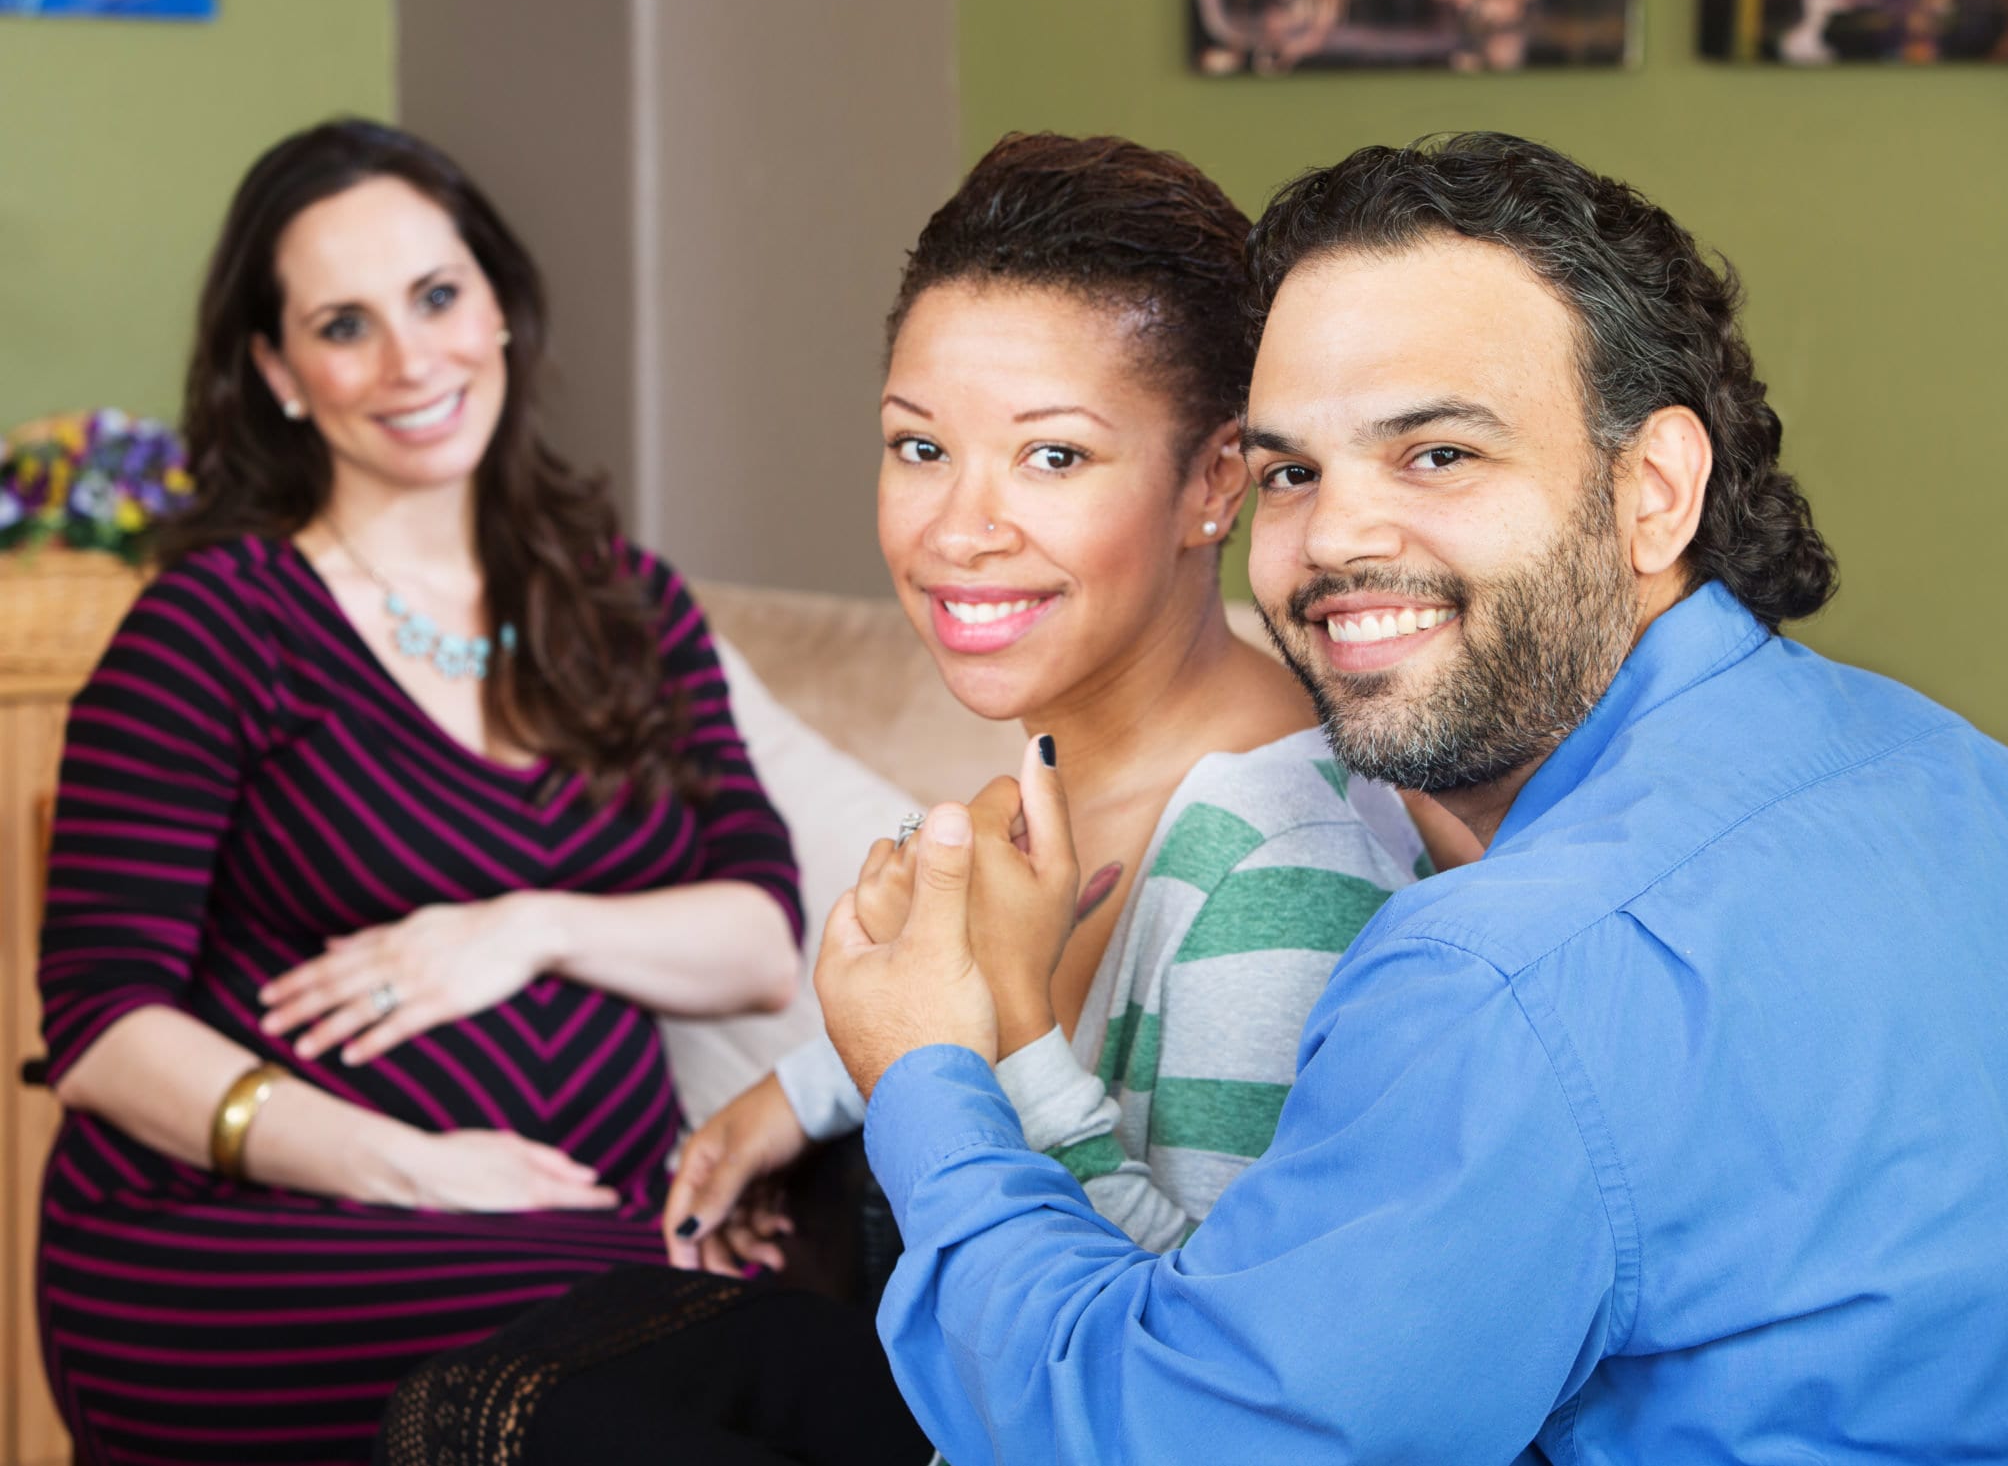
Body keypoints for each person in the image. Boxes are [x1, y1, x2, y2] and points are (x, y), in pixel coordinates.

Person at [817, 132, 2008, 1464]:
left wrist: (932, 1074)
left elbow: (1157, 1436)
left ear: (1656, 489)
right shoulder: (1966, 774)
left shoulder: (1497, 974)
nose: (1338, 536)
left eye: (1438, 454)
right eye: (1297, 470)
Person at [377, 132, 1469, 1465]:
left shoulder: (1279, 865)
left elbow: (1214, 1385)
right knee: (522, 1374)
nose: (959, 527)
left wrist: (994, 1035)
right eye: (918, 446)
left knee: (506, 1434)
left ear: (1216, 481)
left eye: (1053, 458)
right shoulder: (1059, 758)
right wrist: (802, 1091)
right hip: (989, 1404)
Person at [35, 119, 802, 1465]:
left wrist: (532, 921)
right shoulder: (216, 623)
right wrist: (417, 1166)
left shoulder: (627, 606)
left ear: (497, 304)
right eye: (345, 324)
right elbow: (102, 1029)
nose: (410, 360)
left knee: (810, 1367)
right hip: (250, 1238)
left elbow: (756, 939)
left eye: (438, 296)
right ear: (278, 370)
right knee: (747, 1349)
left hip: (573, 1230)